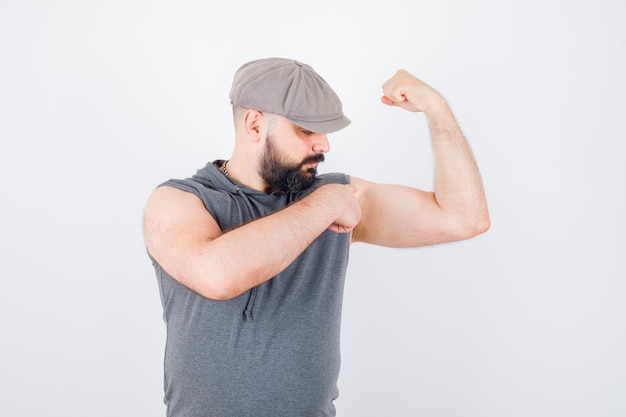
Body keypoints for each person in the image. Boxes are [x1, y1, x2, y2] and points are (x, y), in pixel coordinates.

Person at [143, 57, 490, 417]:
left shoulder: (339, 198)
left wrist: (437, 108)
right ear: (255, 124)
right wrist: (325, 205)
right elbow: (218, 275)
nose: (323, 145)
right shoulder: (178, 201)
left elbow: (465, 218)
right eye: (306, 131)